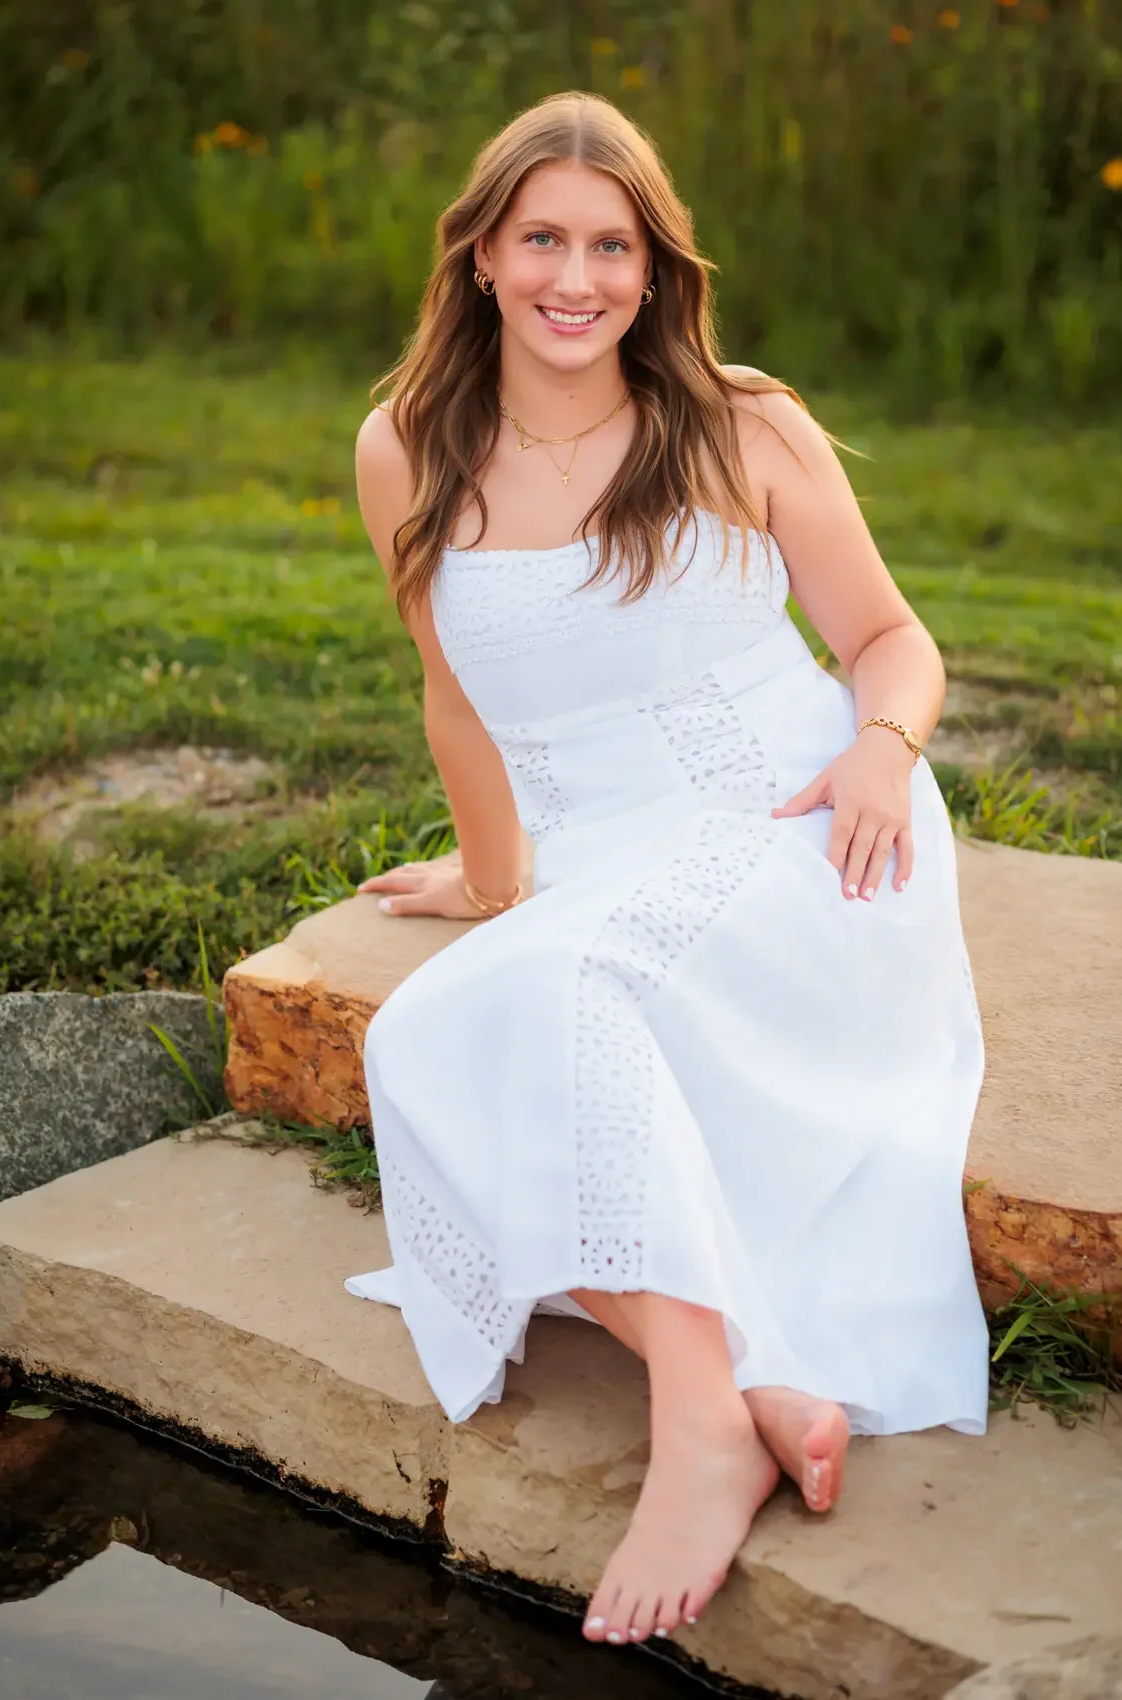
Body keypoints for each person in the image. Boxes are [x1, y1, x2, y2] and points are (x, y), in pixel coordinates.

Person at [345, 91, 989, 1652]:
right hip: (600, 867)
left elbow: (893, 645)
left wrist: (881, 753)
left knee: (550, 1002)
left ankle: (701, 1431)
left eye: (613, 244)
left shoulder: (738, 419)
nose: (579, 276)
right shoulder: (405, 447)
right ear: (484, 256)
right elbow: (456, 697)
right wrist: (495, 884)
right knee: (429, 1030)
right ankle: (746, 1374)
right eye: (544, 238)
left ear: (654, 267)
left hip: (804, 834)